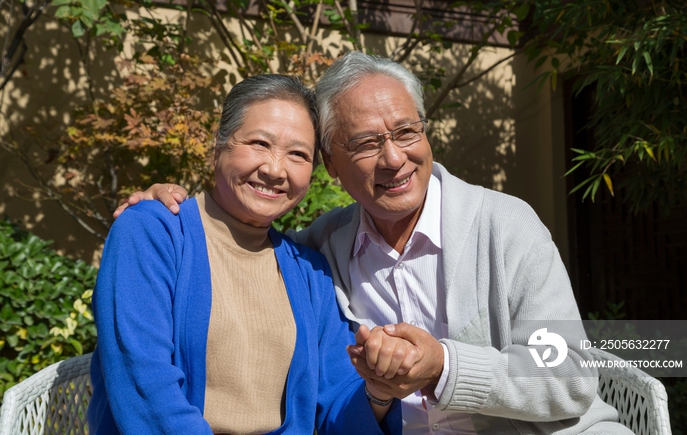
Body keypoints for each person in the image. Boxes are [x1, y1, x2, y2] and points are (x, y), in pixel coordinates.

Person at [118, 53, 634, 435]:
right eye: (365, 143)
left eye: (406, 132)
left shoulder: (505, 225)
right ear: (334, 168)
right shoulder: (317, 250)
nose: (393, 158)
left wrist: (444, 368)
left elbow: (567, 373)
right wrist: (159, 205)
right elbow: (232, 246)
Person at [87, 74, 403, 435]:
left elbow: (337, 405)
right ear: (218, 145)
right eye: (259, 143)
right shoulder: (151, 233)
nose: (274, 168)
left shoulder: (309, 271)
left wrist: (377, 391)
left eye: (298, 154)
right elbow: (146, 389)